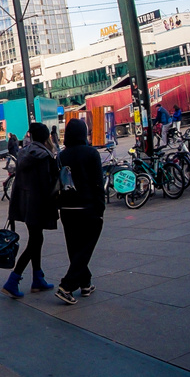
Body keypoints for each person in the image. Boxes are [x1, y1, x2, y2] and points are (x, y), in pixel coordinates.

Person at [3, 122, 59, 298]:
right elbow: (47, 184)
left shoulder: (23, 153)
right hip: (38, 204)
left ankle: (38, 278)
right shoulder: (44, 156)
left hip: (25, 205)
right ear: (45, 137)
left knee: (37, 238)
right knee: (34, 242)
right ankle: (13, 279)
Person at [56, 118, 105, 305]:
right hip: (88, 207)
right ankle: (66, 286)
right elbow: (98, 183)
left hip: (67, 208)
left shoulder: (61, 156)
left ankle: (85, 283)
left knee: (75, 247)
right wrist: (100, 207)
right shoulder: (91, 153)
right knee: (85, 248)